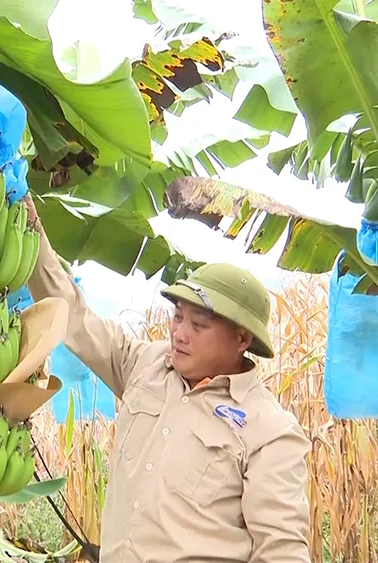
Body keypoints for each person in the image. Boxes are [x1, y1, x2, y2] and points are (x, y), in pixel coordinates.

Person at [22, 194, 311, 562]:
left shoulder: (268, 431)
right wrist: (30, 231)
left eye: (199, 325)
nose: (180, 333)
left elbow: (281, 550)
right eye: (178, 317)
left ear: (242, 339)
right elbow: (75, 318)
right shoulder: (146, 365)